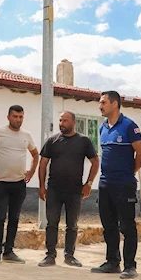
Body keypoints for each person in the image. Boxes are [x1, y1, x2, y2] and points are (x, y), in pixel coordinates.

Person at [92, 91, 141, 279]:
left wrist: (130, 172)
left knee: (127, 226)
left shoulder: (129, 126)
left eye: (103, 102)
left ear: (114, 104)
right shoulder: (103, 127)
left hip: (124, 185)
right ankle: (112, 262)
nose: (100, 106)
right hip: (105, 184)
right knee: (108, 225)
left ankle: (130, 266)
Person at [37, 111, 100, 267]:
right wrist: (41, 186)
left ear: (73, 122)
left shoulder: (83, 141)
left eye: (65, 120)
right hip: (54, 190)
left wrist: (89, 184)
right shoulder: (52, 141)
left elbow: (95, 161)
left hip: (74, 190)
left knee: (72, 225)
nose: (61, 123)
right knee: (52, 223)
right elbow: (43, 163)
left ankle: (69, 256)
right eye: (60, 120)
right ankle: (50, 255)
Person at [0, 105, 39, 265]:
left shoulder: (26, 135)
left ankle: (9, 251)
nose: (18, 120)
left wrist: (31, 172)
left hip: (19, 184)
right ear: (8, 117)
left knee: (14, 218)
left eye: (21, 117)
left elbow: (35, 154)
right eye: (15, 116)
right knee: (0, 217)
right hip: (1, 184)